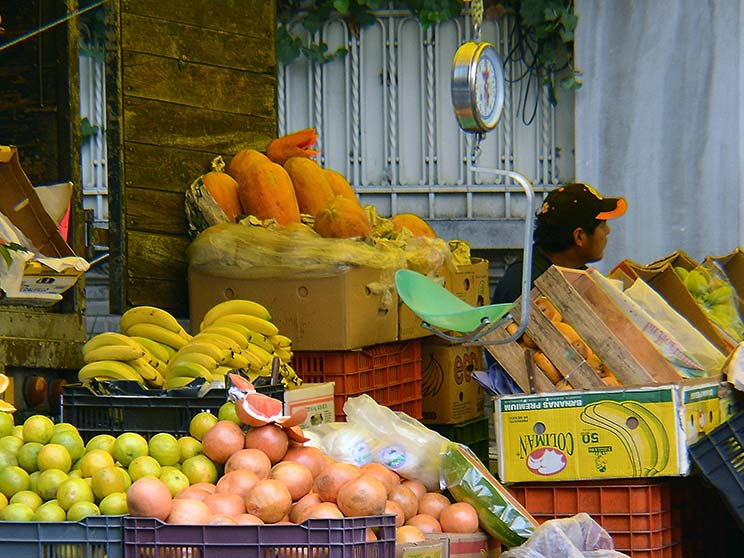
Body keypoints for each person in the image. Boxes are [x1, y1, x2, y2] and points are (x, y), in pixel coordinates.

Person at [492, 182, 627, 303]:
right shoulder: (523, 285)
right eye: (602, 225)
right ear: (579, 236)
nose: (608, 231)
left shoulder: (578, 274)